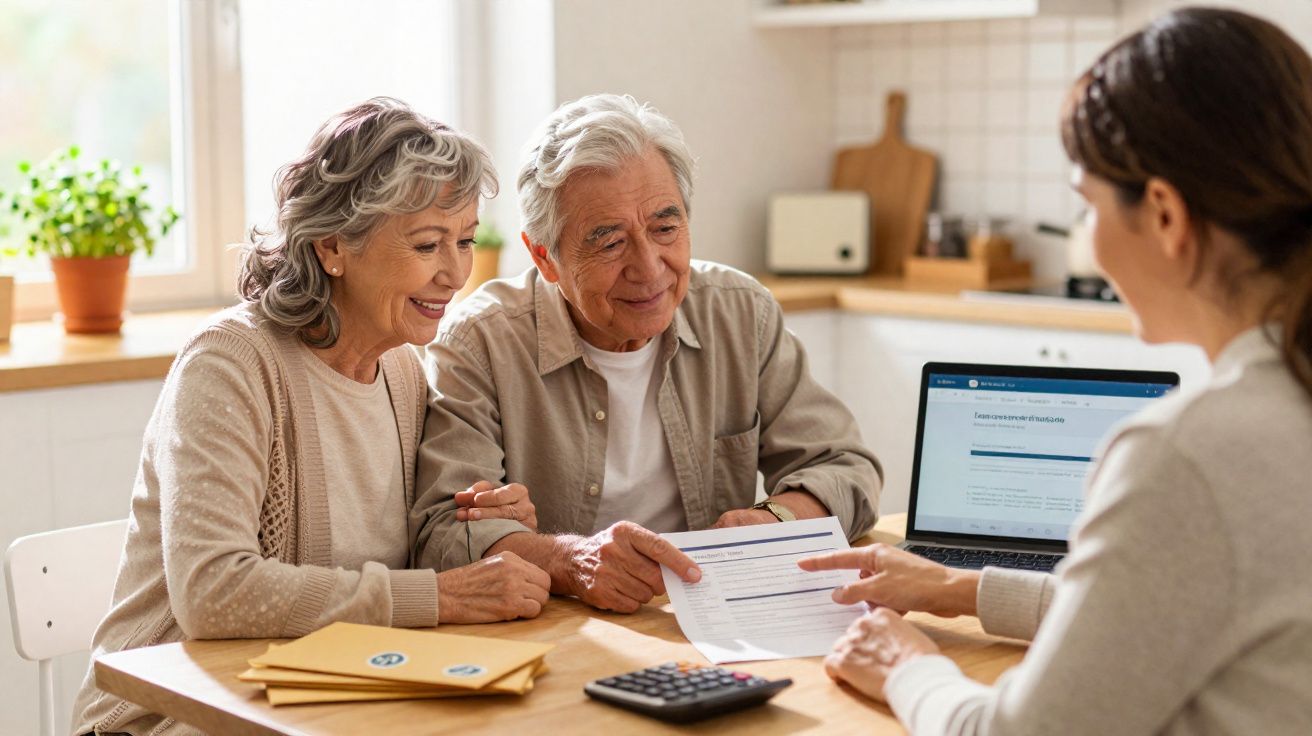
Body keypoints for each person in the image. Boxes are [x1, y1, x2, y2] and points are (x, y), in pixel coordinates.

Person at [799, 7, 1312, 734]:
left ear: (1164, 215)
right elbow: (1168, 609)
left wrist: (905, 668)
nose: (1088, 242)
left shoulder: (1187, 454)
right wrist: (963, 587)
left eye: (1086, 208)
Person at [72, 98, 550, 736]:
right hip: (168, 717)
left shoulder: (402, 370)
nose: (455, 273)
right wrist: (442, 597)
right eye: (427, 244)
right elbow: (214, 591)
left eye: (464, 241)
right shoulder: (230, 365)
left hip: (328, 700)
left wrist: (479, 526)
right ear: (333, 247)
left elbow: (391, 565)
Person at [410, 93, 882, 614]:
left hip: (713, 617)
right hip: (560, 626)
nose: (650, 267)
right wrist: (571, 561)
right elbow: (442, 534)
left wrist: (777, 519)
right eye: (609, 242)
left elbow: (844, 466)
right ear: (545, 257)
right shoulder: (479, 343)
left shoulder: (740, 313)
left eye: (664, 227)